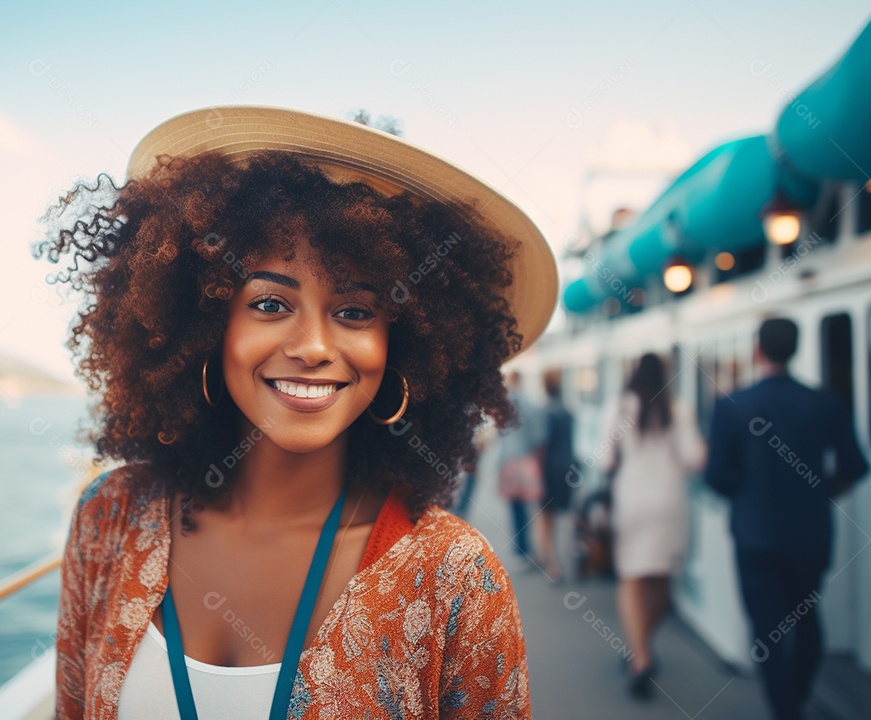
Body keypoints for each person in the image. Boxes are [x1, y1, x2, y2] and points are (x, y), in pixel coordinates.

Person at [36, 106, 558, 719]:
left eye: (356, 312)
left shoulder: (452, 575)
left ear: (404, 344)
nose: (312, 346)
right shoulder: (110, 518)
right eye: (269, 303)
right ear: (205, 321)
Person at [705, 318, 868, 720]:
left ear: (757, 350)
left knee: (767, 629)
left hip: (755, 534)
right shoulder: (825, 402)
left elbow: (716, 476)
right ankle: (796, 694)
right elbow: (855, 464)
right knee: (807, 616)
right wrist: (822, 490)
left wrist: (744, 495)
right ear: (795, 348)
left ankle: (785, 709)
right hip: (809, 533)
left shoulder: (730, 406)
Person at [600, 352, 704, 699]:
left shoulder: (618, 408)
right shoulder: (678, 409)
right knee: (661, 578)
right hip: (668, 501)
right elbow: (694, 459)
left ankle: (639, 653)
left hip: (631, 499)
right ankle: (641, 646)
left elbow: (606, 458)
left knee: (631, 577)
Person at [494, 371, 546, 568]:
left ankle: (520, 550)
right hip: (525, 461)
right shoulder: (529, 403)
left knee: (515, 509)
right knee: (530, 508)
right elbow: (539, 433)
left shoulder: (503, 405)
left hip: (507, 461)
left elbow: (499, 435)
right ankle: (531, 549)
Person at [536, 369, 577, 583]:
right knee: (567, 516)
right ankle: (573, 560)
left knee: (546, 519)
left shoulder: (544, 412)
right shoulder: (569, 412)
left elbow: (542, 445)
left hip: (548, 469)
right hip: (568, 467)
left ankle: (552, 566)